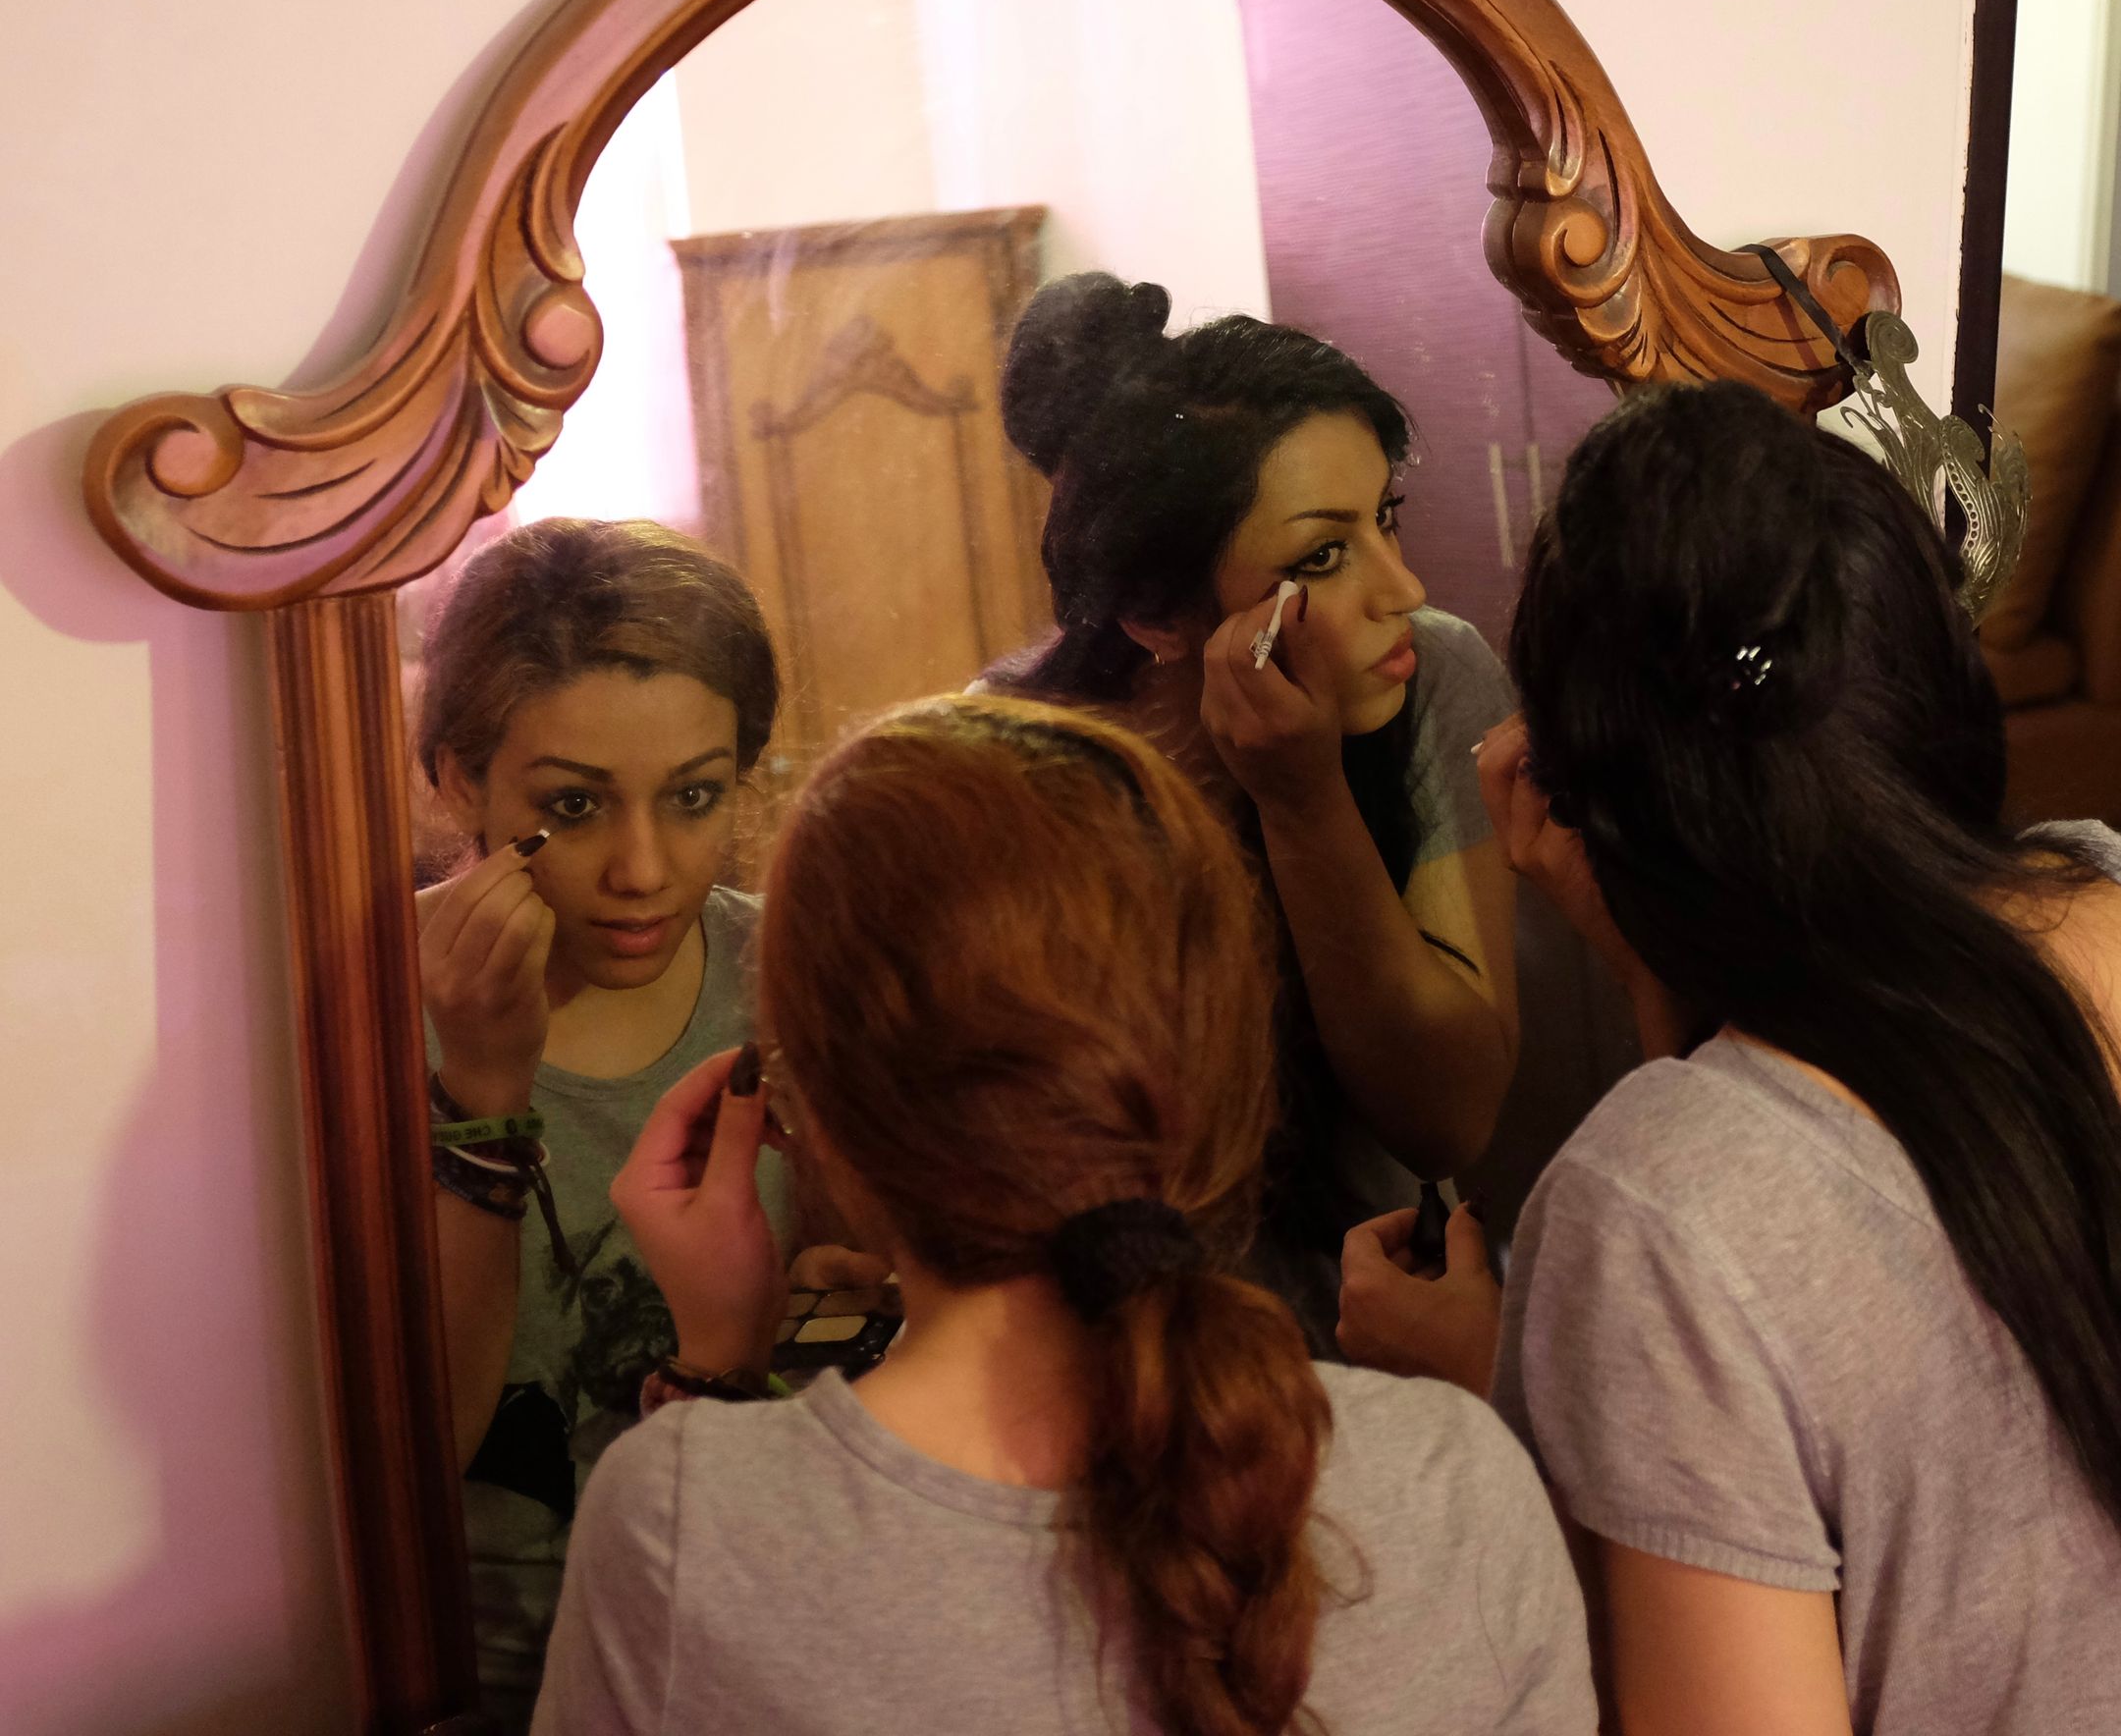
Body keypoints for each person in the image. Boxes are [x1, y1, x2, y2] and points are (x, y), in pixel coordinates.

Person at [1337, 383, 2121, 1736]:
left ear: (1591, 794)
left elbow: (1739, 1195)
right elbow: (1789, 1164)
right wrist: (1648, 939)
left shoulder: (1647, 1210)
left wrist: (1488, 1397)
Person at [535, 694, 1595, 1736]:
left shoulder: (689, 1522)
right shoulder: (1455, 1482)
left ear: (806, 1101)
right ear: (1226, 1065)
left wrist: (715, 1363)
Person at [983, 272, 1534, 1338]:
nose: (1403, 587)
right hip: (1121, 1346)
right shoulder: (1019, 764)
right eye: (1323, 554)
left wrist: (1304, 797)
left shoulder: (1434, 676)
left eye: (1387, 517)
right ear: (1154, 617)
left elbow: (1445, 1119)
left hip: (1383, 1329)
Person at [412, 516, 794, 1727]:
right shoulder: (351, 1011)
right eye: (574, 806)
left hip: (743, 1638)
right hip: (477, 1671)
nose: (644, 868)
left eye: (694, 795)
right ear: (459, 778)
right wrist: (480, 1086)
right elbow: (416, 1451)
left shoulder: (792, 973)